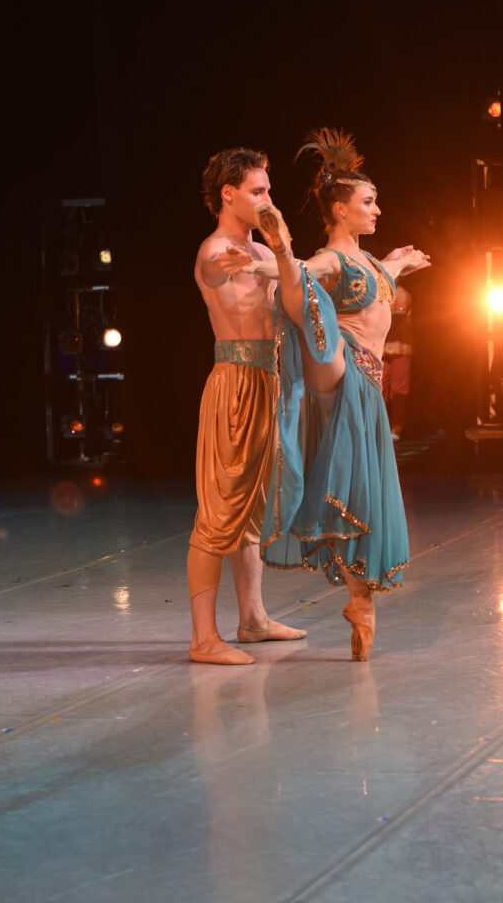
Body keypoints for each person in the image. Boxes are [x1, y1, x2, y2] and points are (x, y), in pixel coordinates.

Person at [248, 128, 430, 661]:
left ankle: (361, 602)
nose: (377, 209)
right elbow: (309, 273)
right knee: (314, 315)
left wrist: (400, 261)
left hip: (368, 388)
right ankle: (282, 255)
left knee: (359, 501)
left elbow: (383, 275)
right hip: (340, 370)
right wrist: (271, 261)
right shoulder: (331, 260)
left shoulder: (371, 264)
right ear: (341, 210)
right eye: (368, 203)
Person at [187, 147, 306, 665]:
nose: (267, 200)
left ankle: (253, 619)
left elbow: (304, 292)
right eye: (258, 192)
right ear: (228, 194)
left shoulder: (261, 252)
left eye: (268, 190)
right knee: (219, 511)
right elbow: (213, 271)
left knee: (252, 509)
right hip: (235, 383)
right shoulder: (216, 247)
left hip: (267, 381)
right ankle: (202, 639)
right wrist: (228, 264)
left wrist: (279, 252)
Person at [382, 279, 414, 440]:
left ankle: (397, 428)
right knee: (380, 387)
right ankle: (381, 425)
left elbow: (398, 316)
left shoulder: (401, 293)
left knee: (398, 388)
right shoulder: (381, 294)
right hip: (383, 347)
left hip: (400, 346)